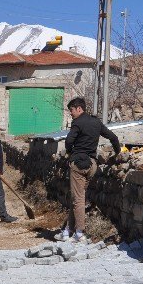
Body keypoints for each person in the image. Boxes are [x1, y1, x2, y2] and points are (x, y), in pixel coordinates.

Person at [60, 97, 121, 243]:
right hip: (92, 165)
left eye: (72, 111)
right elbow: (113, 137)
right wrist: (117, 152)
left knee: (78, 199)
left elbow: (68, 141)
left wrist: (70, 152)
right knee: (78, 198)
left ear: (79, 108)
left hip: (78, 165)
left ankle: (79, 233)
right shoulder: (96, 122)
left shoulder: (78, 123)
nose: (71, 114)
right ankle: (67, 231)